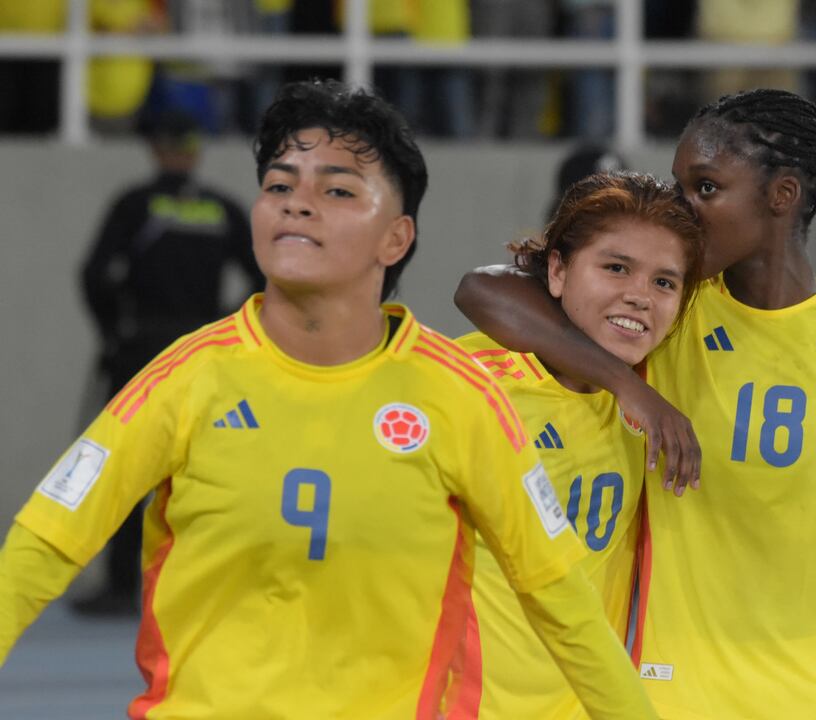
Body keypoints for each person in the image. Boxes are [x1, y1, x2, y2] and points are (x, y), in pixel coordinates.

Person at [0, 79, 658, 720]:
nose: (297, 202)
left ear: (396, 238)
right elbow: (45, 546)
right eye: (279, 185)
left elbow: (564, 605)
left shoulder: (463, 398)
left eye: (337, 189)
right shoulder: (184, 378)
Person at [455, 89, 816, 718]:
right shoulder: (665, 314)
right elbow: (484, 289)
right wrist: (632, 387)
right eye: (679, 184)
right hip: (675, 699)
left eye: (705, 189)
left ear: (781, 196)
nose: (683, 208)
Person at [451, 172, 703, 719]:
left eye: (665, 283)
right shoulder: (469, 382)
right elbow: (479, 286)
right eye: (615, 267)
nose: (639, 295)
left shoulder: (669, 390)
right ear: (558, 271)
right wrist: (627, 385)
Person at [76, 108, 262, 617]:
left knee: (125, 465)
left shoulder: (136, 204)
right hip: (201, 352)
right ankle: (208, 583)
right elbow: (265, 280)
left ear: (155, 148)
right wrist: (226, 329)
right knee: (212, 467)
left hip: (142, 347)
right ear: (195, 149)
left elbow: (94, 274)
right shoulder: (223, 209)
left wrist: (115, 329)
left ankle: (120, 587)